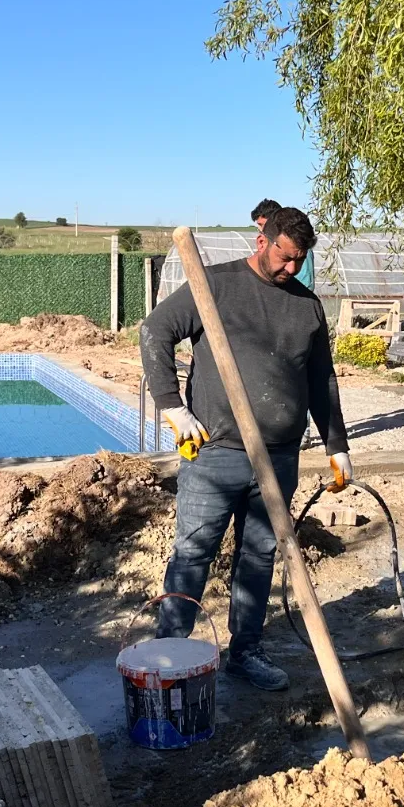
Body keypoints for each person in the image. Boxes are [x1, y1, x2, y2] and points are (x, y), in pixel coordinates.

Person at [140, 205, 352, 690]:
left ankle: (246, 652)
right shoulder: (215, 285)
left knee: (258, 557)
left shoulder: (306, 307)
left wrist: (336, 445)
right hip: (216, 452)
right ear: (263, 241)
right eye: (284, 256)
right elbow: (155, 331)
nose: (291, 267)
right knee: (194, 552)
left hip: (279, 459)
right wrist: (173, 407)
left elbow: (321, 379)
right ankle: (170, 653)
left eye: (300, 260)